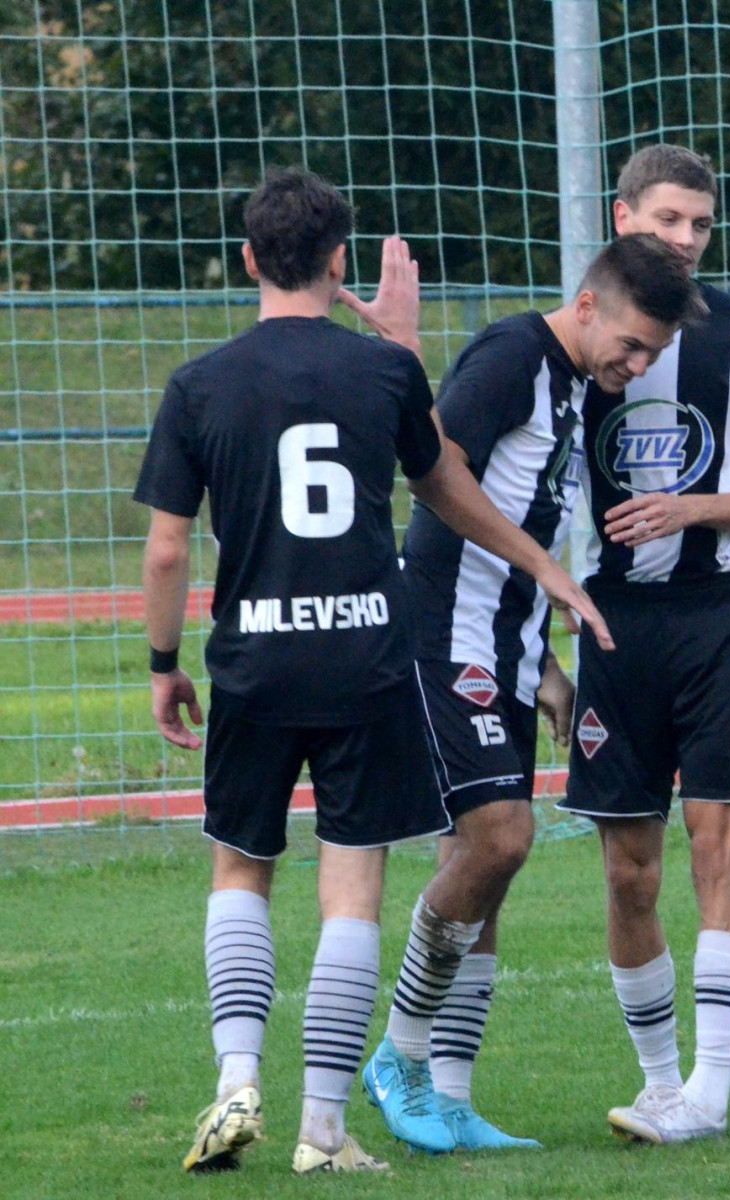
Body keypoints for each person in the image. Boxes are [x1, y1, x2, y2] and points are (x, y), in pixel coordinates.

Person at [137, 167, 609, 1175]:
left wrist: (164, 662)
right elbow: (447, 486)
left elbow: (169, 549)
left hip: (255, 661)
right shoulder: (384, 373)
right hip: (365, 662)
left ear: (249, 260)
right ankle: (322, 1128)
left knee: (241, 867)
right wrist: (543, 566)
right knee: (352, 887)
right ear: (339, 259)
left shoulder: (199, 385)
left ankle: (236, 1079)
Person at [358, 233, 708, 1153]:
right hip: (446, 632)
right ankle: (397, 1054)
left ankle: (449, 1099)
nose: (638, 368)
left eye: (654, 355)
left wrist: (542, 661)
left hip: (505, 645)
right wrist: (547, 570)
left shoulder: (577, 382)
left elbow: (519, 507)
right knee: (500, 839)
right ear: (587, 306)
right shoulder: (515, 354)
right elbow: (433, 468)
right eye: (631, 346)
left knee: (490, 875)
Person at [554, 145, 730, 1145]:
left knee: (716, 842)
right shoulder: (573, 344)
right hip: (615, 626)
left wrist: (691, 509)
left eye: (700, 224)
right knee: (628, 868)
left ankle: (711, 1092)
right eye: (668, 220)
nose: (687, 239)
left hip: (722, 617)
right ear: (623, 218)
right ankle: (660, 1084)